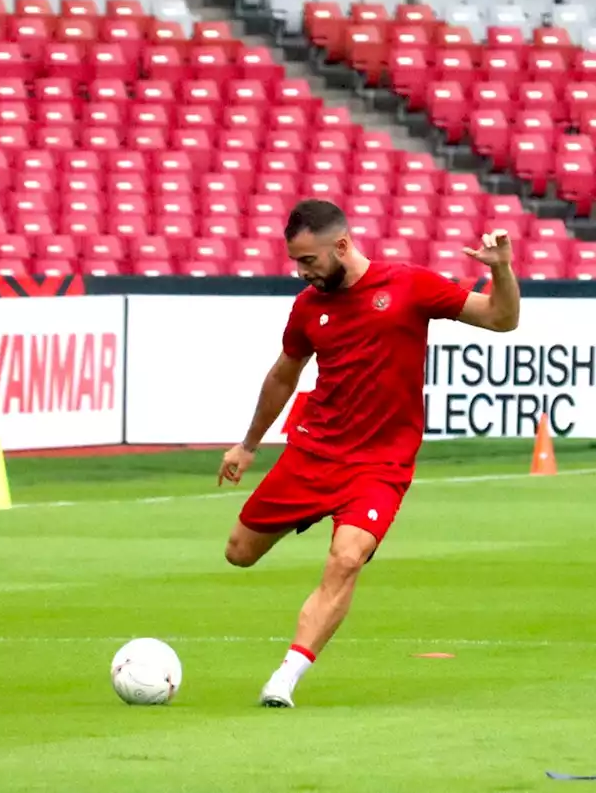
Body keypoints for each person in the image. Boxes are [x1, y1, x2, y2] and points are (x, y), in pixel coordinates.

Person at [215, 198, 522, 708]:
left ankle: (285, 677)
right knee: (239, 553)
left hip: (380, 465)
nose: (302, 272)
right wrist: (248, 445)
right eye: (296, 261)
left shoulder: (409, 286)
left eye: (309, 260)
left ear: (341, 245)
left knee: (347, 557)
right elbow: (283, 375)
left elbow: (500, 319)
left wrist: (503, 271)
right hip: (313, 454)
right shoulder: (308, 307)